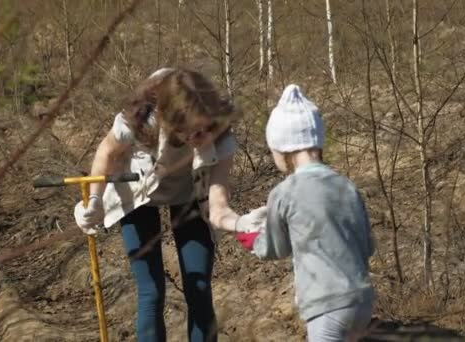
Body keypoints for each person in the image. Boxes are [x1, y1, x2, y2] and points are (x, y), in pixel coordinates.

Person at [73, 68, 266, 342]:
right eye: (192, 131)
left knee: (198, 288)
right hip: (139, 195)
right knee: (151, 291)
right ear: (171, 123)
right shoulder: (141, 120)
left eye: (205, 127)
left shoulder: (221, 133)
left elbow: (218, 204)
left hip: (189, 196)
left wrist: (240, 224)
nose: (201, 135)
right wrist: (94, 202)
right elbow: (107, 151)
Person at [235, 84, 375, 341]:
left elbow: (273, 248)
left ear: (283, 148)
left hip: (326, 305)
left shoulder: (285, 192)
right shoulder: (346, 186)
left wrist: (251, 237)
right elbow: (368, 245)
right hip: (363, 301)